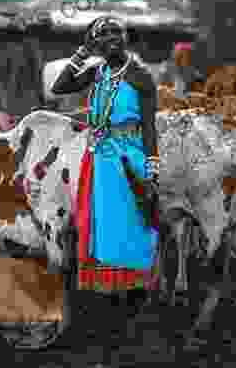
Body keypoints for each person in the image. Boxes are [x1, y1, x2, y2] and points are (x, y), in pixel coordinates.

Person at [51, 16, 161, 306]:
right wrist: (82, 53)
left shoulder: (141, 76)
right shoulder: (96, 72)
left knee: (132, 225)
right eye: (103, 34)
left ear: (127, 39)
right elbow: (59, 87)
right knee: (104, 226)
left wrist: (151, 171)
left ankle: (138, 290)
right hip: (100, 160)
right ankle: (112, 288)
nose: (111, 38)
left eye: (117, 33)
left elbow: (149, 127)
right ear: (96, 42)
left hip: (129, 158)